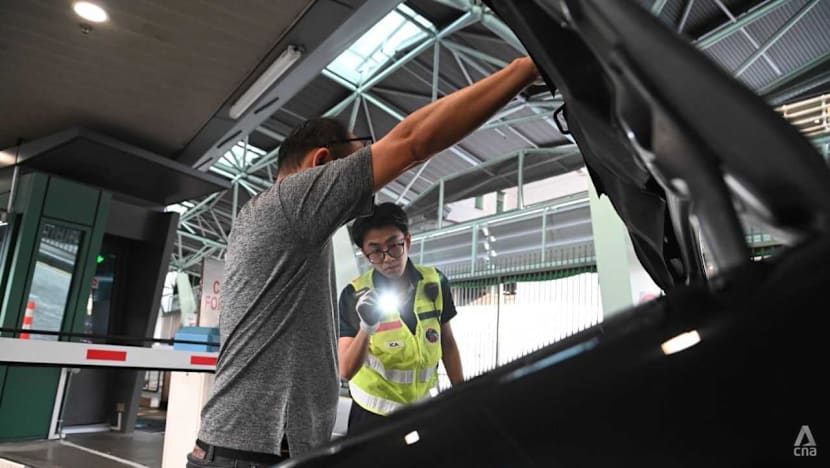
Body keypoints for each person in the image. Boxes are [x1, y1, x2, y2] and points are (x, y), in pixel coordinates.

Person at [189, 57, 539, 467]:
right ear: (320, 166)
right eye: (353, 168)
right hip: (252, 454)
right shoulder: (292, 204)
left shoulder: (273, 220)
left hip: (249, 450)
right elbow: (412, 142)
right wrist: (526, 69)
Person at [338, 202, 463, 432]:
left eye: (393, 246)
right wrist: (367, 327)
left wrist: (461, 394)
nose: (387, 258)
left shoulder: (435, 282)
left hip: (422, 410)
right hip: (372, 415)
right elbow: (345, 369)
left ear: (407, 241)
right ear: (366, 255)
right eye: (375, 251)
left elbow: (448, 343)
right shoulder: (354, 295)